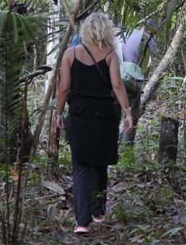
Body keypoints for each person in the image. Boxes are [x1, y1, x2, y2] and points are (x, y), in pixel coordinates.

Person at [55, 12, 133, 234]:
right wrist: (127, 111)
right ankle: (98, 210)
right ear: (105, 30)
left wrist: (58, 113)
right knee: (99, 161)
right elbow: (117, 85)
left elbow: (64, 88)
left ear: (85, 31)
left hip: (79, 115)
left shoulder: (70, 54)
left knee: (81, 165)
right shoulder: (110, 55)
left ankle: (82, 222)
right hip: (104, 115)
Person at [116, 21, 157, 144]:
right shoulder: (147, 39)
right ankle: (127, 150)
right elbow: (148, 65)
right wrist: (142, 77)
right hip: (131, 82)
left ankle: (110, 145)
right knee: (132, 116)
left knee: (114, 113)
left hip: (115, 79)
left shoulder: (122, 34)